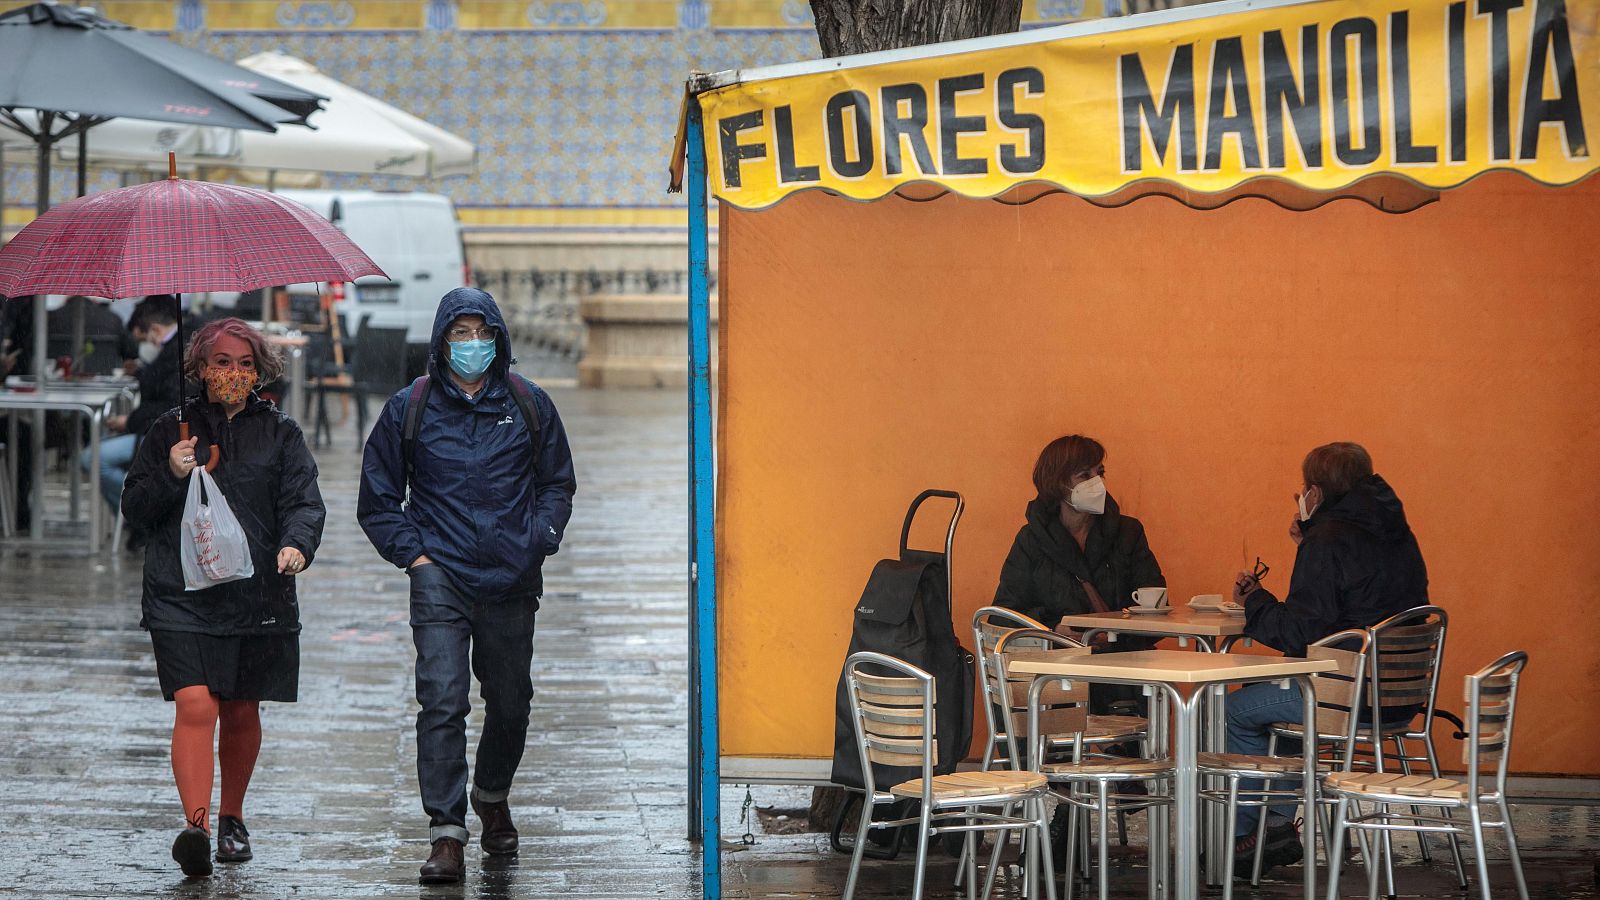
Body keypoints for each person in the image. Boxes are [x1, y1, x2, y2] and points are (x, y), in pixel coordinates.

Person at [357, 287, 576, 885]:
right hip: (441, 578)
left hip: (512, 576)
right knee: (443, 700)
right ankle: (446, 832)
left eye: (482, 333)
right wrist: (416, 558)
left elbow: (558, 482)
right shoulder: (412, 408)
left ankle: (492, 793)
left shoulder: (529, 403)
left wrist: (540, 537)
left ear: (498, 339)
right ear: (442, 341)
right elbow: (377, 499)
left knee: (510, 702)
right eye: (461, 334)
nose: (472, 344)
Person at [120, 317, 325, 878]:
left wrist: (296, 546)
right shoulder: (172, 429)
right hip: (179, 593)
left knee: (239, 709)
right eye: (221, 362)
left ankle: (232, 817)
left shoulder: (281, 434)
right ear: (199, 369)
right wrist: (169, 471)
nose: (233, 373)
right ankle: (198, 826)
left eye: (244, 364)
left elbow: (305, 502)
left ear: (259, 372)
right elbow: (135, 509)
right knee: (195, 705)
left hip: (257, 593)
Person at [1223, 441, 1428, 875]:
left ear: (1316, 491)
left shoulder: (1330, 539)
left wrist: (1255, 600)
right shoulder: (1397, 532)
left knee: (1232, 709)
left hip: (1345, 694)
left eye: (1304, 486)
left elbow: (1302, 633)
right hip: (1398, 696)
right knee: (1287, 700)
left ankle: (1254, 833)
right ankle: (1273, 825)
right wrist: (1308, 541)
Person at [994, 434, 1166, 707]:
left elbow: (1157, 606)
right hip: (1057, 672)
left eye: (1100, 473)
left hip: (1122, 666)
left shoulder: (1128, 532)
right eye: (1084, 475)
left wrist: (1116, 633)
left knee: (1140, 694)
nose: (1096, 483)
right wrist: (1053, 628)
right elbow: (1004, 614)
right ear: (1058, 484)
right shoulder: (1031, 540)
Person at [81, 296, 185, 548]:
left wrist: (129, 421)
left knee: (92, 458)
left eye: (143, 339)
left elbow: (167, 405)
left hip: (163, 437)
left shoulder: (176, 353)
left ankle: (140, 512)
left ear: (156, 331)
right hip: (158, 432)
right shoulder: (178, 348)